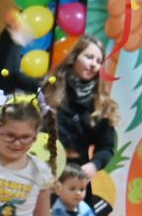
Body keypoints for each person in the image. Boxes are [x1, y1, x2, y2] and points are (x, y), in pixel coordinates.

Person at [47, 38, 117, 180]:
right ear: (74, 57)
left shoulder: (101, 103)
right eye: (89, 57)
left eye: (99, 61)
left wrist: (94, 165)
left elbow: (107, 147)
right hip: (44, 166)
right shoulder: (50, 89)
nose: (93, 64)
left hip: (75, 173)